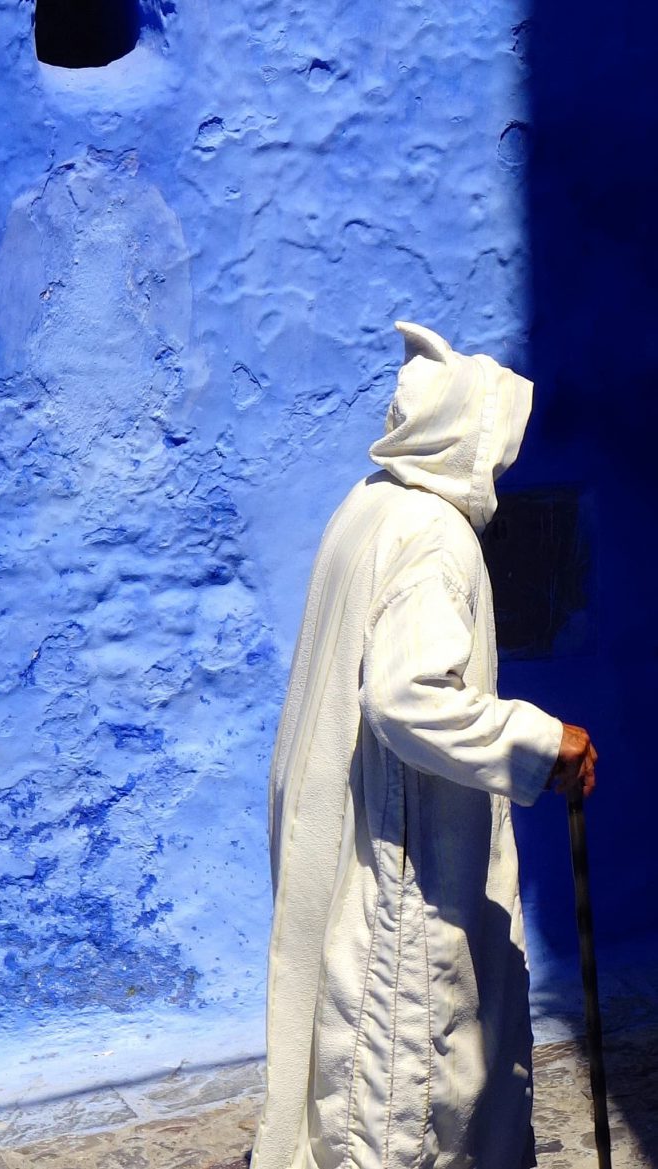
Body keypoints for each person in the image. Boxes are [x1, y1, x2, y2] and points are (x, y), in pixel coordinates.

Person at [250, 322, 597, 1169]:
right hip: (403, 884)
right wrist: (540, 743)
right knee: (399, 1113)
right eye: (495, 450)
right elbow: (404, 696)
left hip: (367, 858)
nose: (502, 473)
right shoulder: (433, 539)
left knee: (358, 1098)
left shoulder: (367, 508)